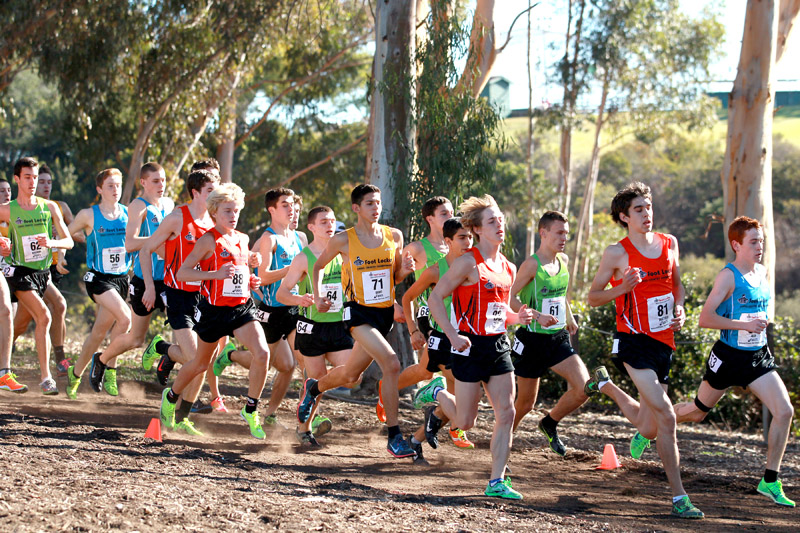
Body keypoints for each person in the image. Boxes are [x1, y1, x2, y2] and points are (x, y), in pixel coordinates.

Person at [584, 182, 703, 519]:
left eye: (648, 207)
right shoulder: (617, 253)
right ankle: (680, 497)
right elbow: (593, 297)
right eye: (639, 209)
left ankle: (604, 386)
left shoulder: (669, 243)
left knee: (649, 427)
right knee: (666, 415)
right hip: (633, 341)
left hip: (664, 341)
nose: (646, 214)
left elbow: (676, 287)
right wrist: (622, 287)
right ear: (624, 217)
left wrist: (680, 310)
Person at [413, 195, 533, 499]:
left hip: (498, 346)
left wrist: (517, 316)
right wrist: (452, 335)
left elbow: (500, 309)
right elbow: (435, 299)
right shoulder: (468, 262)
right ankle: (438, 391)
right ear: (477, 229)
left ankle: (496, 481)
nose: (500, 225)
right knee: (465, 421)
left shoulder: (508, 266)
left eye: (501, 219)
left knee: (506, 413)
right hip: (467, 346)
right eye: (492, 221)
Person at [674, 216, 795, 507]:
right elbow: (705, 319)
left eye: (761, 241)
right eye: (753, 242)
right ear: (736, 245)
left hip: (757, 358)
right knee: (697, 411)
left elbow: (759, 310)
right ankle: (653, 424)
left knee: (785, 410)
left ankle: (769, 480)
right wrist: (743, 326)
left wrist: (760, 323)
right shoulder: (727, 276)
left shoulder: (763, 271)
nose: (759, 246)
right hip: (728, 358)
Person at [296, 184, 418, 459]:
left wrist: (404, 270)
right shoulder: (343, 240)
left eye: (378, 203)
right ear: (356, 208)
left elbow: (395, 278)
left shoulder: (393, 236)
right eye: (369, 204)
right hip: (357, 313)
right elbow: (317, 266)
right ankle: (394, 436)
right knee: (392, 363)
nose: (376, 209)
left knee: (351, 375)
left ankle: (314, 387)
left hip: (383, 313)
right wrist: (317, 296)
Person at [160, 183, 270, 438]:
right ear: (215, 213)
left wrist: (251, 279)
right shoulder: (207, 240)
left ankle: (251, 409)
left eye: (236, 211)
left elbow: (240, 273)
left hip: (241, 308)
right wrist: (215, 274)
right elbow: (183, 272)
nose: (233, 216)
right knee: (199, 364)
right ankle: (172, 395)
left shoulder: (242, 239)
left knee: (262, 352)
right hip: (213, 311)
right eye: (227, 211)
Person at [378, 197, 475, 448]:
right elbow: (394, 280)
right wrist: (409, 324)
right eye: (443, 213)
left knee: (426, 371)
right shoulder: (418, 249)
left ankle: (448, 423)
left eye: (451, 212)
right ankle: (389, 390)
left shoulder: (461, 248)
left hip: (459, 322)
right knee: (450, 374)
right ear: (430, 219)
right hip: (430, 318)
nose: (449, 217)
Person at [135, 168, 229, 420]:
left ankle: (181, 414)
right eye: (210, 190)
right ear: (195, 192)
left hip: (203, 297)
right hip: (177, 295)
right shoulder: (177, 218)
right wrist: (151, 287)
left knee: (203, 362)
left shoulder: (214, 222)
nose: (215, 195)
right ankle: (166, 353)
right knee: (195, 358)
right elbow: (146, 251)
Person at [215, 188, 306, 428]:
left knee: (294, 365)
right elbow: (262, 277)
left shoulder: (301, 238)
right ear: (272, 210)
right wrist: (291, 270)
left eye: (293, 206)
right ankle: (231, 355)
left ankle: (273, 415)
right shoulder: (268, 239)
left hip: (295, 309)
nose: (291, 210)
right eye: (285, 205)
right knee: (266, 359)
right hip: (272, 310)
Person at [508, 211, 590, 456]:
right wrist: (537, 315)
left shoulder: (562, 260)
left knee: (584, 387)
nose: (564, 237)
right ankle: (502, 445)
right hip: (531, 340)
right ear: (543, 233)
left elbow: (560, 294)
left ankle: (549, 423)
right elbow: (508, 298)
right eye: (559, 232)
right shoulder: (532, 264)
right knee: (524, 404)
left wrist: (570, 315)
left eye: (566, 233)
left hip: (556, 339)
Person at [88, 162, 174, 392]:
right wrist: (156, 241)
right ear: (143, 183)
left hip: (168, 281)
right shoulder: (138, 206)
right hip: (144, 281)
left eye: (163, 180)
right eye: (155, 181)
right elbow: (130, 244)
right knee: (136, 339)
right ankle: (102, 359)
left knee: (185, 328)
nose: (161, 185)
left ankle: (164, 351)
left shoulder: (169, 204)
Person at [275, 206, 355, 446]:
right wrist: (300, 300)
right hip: (312, 327)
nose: (330, 225)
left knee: (352, 376)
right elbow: (281, 293)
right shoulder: (303, 258)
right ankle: (304, 429)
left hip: (339, 326)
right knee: (318, 378)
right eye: (323, 222)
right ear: (311, 227)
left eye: (332, 221)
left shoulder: (344, 255)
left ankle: (311, 387)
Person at [401, 216, 474, 464]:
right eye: (462, 238)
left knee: (455, 408)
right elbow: (408, 298)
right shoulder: (435, 270)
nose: (468, 242)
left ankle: (414, 441)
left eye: (470, 237)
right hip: (443, 340)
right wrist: (414, 330)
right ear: (448, 241)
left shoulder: (474, 267)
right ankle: (435, 390)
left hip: (468, 340)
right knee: (462, 408)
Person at [0, 157, 74, 394]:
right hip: (19, 272)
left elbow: (69, 240)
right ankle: (46, 378)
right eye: (27, 178)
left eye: (35, 178)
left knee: (19, 325)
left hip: (43, 274)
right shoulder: (7, 209)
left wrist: (52, 242)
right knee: (44, 315)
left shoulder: (49, 207)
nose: (32, 182)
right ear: (17, 179)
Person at [65, 169, 132, 398]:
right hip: (98, 279)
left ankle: (75, 375)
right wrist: (60, 253)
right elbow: (66, 234)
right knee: (125, 318)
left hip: (122, 279)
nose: (116, 190)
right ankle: (109, 367)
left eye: (118, 185)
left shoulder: (127, 214)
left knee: (97, 334)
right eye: (110, 186)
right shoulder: (88, 215)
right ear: (99, 189)